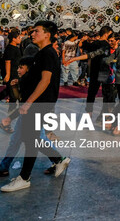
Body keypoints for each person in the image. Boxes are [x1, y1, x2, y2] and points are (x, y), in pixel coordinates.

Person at [1, 21, 70, 192]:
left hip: (40, 103)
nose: (32, 34)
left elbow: (45, 80)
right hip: (41, 103)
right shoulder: (43, 54)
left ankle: (24, 177)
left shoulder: (47, 53)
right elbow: (38, 78)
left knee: (30, 140)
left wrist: (28, 103)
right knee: (30, 139)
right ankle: (58, 159)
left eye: (36, 31)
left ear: (47, 34)